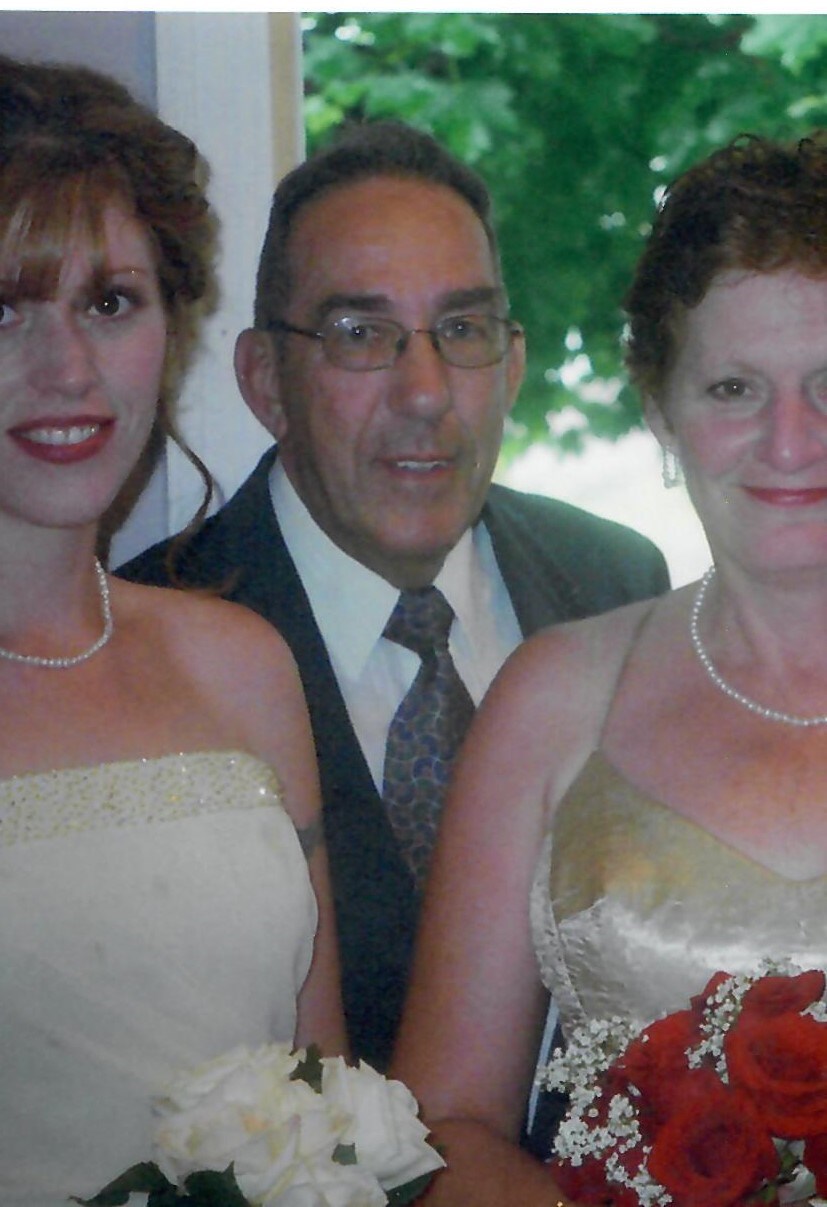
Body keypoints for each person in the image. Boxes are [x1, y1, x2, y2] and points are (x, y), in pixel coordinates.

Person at [119, 119, 669, 1076]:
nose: (424, 391)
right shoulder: (144, 637)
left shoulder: (618, 587)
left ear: (512, 363)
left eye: (462, 330)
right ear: (265, 381)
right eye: (360, 335)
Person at [390, 129, 827, 1205]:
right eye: (732, 387)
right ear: (659, 414)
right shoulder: (553, 698)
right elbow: (441, 1124)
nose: (790, 439)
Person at [0, 56, 345, 1207]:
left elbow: (330, 1114)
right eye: (3, 307)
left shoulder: (243, 665)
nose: (66, 369)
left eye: (110, 302)